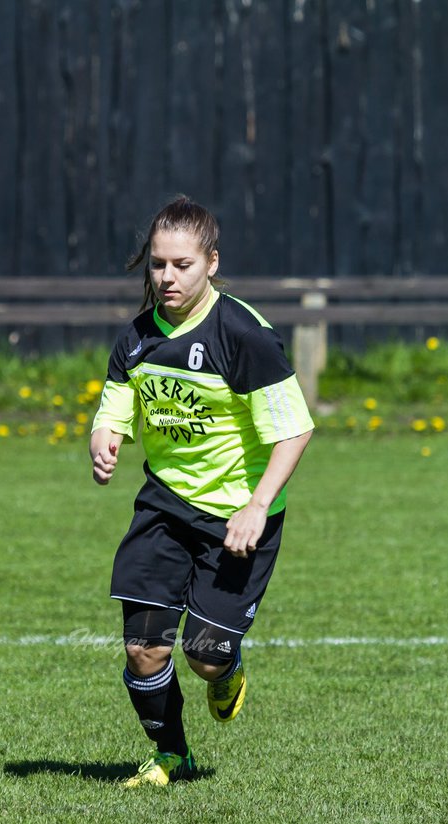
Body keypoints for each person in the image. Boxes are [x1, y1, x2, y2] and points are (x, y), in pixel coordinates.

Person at [89, 195, 314, 787]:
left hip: (238, 517)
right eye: (158, 264)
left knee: (204, 655)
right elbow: (115, 403)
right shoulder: (137, 338)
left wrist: (257, 505)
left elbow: (295, 429)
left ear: (211, 263)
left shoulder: (243, 334)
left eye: (181, 265)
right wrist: (104, 436)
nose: (166, 277)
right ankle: (171, 755)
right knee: (145, 647)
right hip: (163, 509)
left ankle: (226, 668)